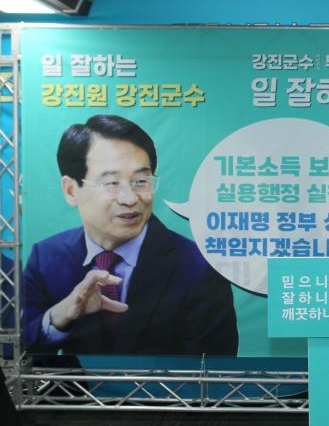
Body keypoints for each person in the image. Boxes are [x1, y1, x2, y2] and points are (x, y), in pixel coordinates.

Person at [22, 115, 238, 356]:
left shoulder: (199, 267)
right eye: (111, 183)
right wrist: (59, 317)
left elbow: (214, 368)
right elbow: (17, 352)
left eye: (141, 181)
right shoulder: (46, 258)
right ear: (71, 190)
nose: (130, 198)